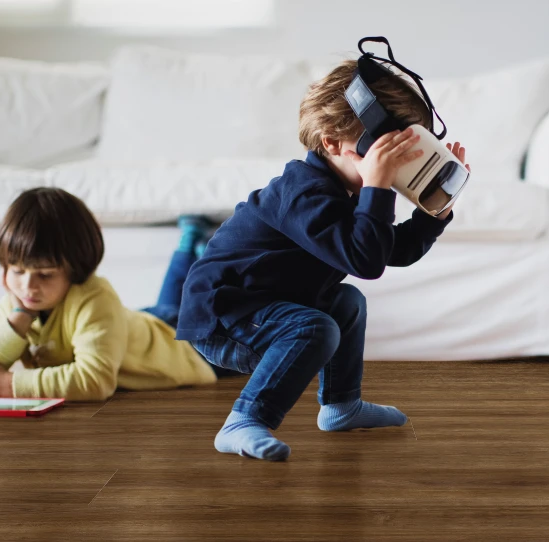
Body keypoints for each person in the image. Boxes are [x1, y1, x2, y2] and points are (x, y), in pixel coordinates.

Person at [175, 59, 470, 461]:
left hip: (272, 302)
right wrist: (378, 187)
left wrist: (434, 211)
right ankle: (243, 421)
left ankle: (341, 405)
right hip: (226, 315)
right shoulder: (303, 192)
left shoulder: (345, 190)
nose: (393, 169)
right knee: (316, 328)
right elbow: (365, 262)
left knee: (348, 302)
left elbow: (390, 251)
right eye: (382, 154)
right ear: (332, 143)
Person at [0, 187, 221, 400]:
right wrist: (17, 321)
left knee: (210, 310)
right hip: (128, 325)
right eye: (17, 271)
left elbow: (95, 380)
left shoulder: (95, 298)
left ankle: (206, 258)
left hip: (181, 348)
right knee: (170, 305)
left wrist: (5, 384)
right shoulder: (18, 303)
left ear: (76, 270)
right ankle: (190, 245)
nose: (28, 286)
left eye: (45, 274)